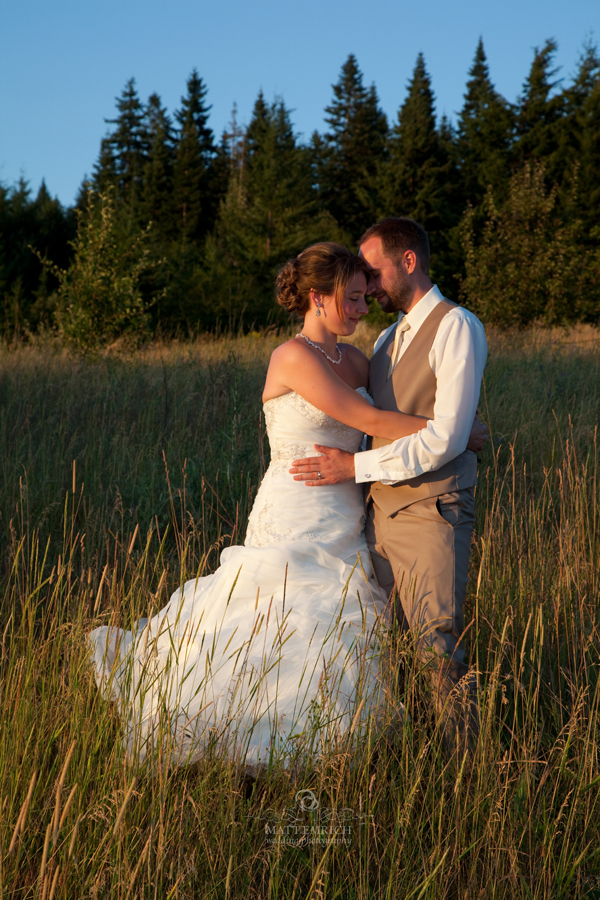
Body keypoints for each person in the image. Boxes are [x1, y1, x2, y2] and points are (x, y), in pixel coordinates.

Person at [88, 242, 432, 768]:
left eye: (366, 298)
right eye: (354, 299)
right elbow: (372, 423)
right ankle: (240, 728)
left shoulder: (358, 360)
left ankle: (324, 738)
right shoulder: (291, 357)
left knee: (335, 622)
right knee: (274, 612)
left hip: (346, 511)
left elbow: (389, 418)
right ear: (317, 298)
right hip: (295, 506)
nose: (363, 310)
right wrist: (451, 433)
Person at [289, 218, 488, 751]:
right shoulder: (382, 339)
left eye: (373, 273)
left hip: (432, 506)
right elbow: (376, 419)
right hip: (375, 515)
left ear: (407, 261)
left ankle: (466, 779)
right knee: (387, 651)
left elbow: (444, 440)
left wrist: (354, 470)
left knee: (437, 646)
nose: (368, 287)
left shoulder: (456, 326)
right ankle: (413, 760)